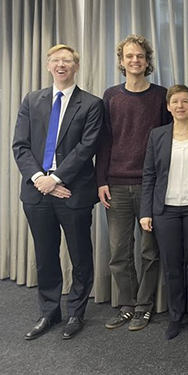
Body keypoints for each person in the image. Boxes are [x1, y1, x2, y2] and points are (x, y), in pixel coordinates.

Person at [12, 44, 103, 340]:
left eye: (67, 60)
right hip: (37, 193)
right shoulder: (31, 100)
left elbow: (87, 147)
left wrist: (58, 178)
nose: (61, 65)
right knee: (46, 255)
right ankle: (49, 312)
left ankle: (76, 311)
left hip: (73, 192)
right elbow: (20, 146)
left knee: (80, 254)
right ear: (48, 65)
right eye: (56, 60)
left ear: (76, 66)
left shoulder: (91, 104)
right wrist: (41, 178)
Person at [96, 34, 172, 331]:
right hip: (115, 184)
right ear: (122, 61)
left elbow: (169, 144)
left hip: (149, 186)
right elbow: (104, 140)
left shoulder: (160, 96)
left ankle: (144, 307)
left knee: (149, 251)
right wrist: (101, 180)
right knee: (119, 250)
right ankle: (127, 304)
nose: (135, 60)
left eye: (140, 56)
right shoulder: (111, 95)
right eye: (129, 56)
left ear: (147, 60)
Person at [140, 85, 188, 340]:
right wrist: (145, 212)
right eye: (175, 102)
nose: (180, 106)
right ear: (168, 106)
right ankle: (175, 316)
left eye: (185, 101)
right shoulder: (157, 135)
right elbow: (149, 175)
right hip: (165, 211)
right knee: (172, 266)